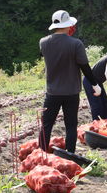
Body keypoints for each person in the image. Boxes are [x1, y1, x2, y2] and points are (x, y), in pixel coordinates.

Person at [40, 10, 100, 153]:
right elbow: (84, 66)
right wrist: (95, 84)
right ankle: (70, 155)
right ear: (68, 25)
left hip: (52, 92)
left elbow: (45, 54)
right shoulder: (76, 44)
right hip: (71, 92)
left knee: (46, 125)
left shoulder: (43, 42)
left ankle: (40, 155)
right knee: (71, 125)